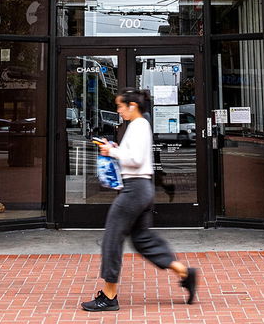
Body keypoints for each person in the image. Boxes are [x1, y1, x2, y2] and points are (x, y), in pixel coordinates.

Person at [81, 87, 198, 312]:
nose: (118, 111)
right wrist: (114, 148)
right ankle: (185, 272)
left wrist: (112, 152)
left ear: (132, 106)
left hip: (134, 190)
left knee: (112, 239)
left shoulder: (139, 126)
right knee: (142, 239)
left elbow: (134, 159)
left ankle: (108, 296)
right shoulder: (139, 125)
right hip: (142, 189)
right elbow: (133, 156)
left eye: (120, 106)